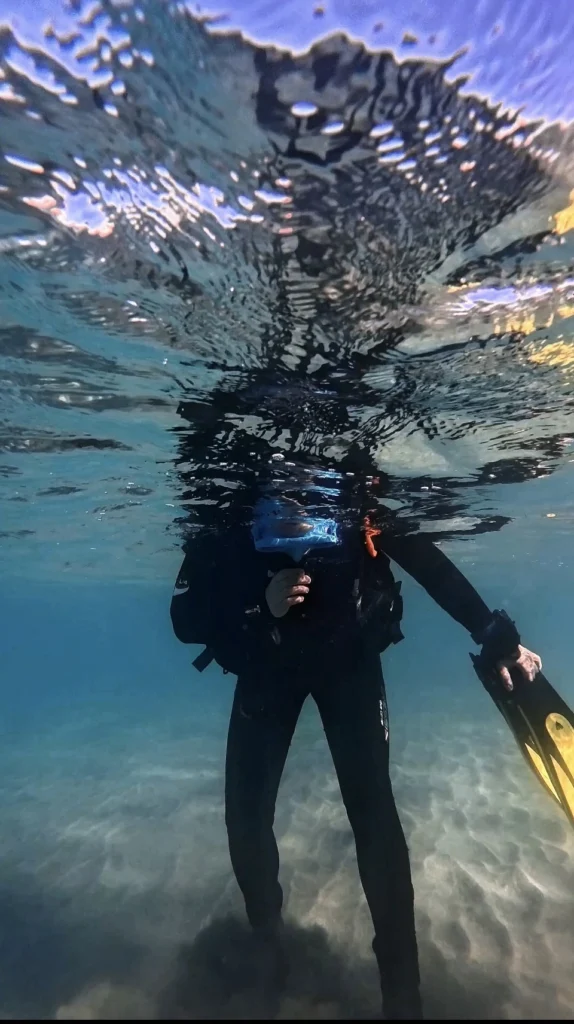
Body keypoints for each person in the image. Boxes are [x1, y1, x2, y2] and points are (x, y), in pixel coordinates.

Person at [170, 493, 541, 1019]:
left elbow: (423, 558)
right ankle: (269, 951)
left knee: (374, 816)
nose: (297, 486)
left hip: (348, 661)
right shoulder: (232, 506)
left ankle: (402, 993)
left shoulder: (355, 494)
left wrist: (493, 633)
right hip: (266, 666)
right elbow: (184, 618)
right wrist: (257, 602)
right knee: (246, 817)